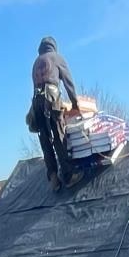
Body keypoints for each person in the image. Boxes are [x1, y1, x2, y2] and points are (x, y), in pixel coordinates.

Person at [28, 37, 81, 190]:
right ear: (53, 47)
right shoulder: (56, 57)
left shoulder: (36, 63)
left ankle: (53, 178)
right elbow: (68, 81)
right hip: (51, 99)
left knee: (45, 140)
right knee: (59, 136)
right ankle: (69, 175)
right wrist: (75, 103)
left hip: (36, 103)